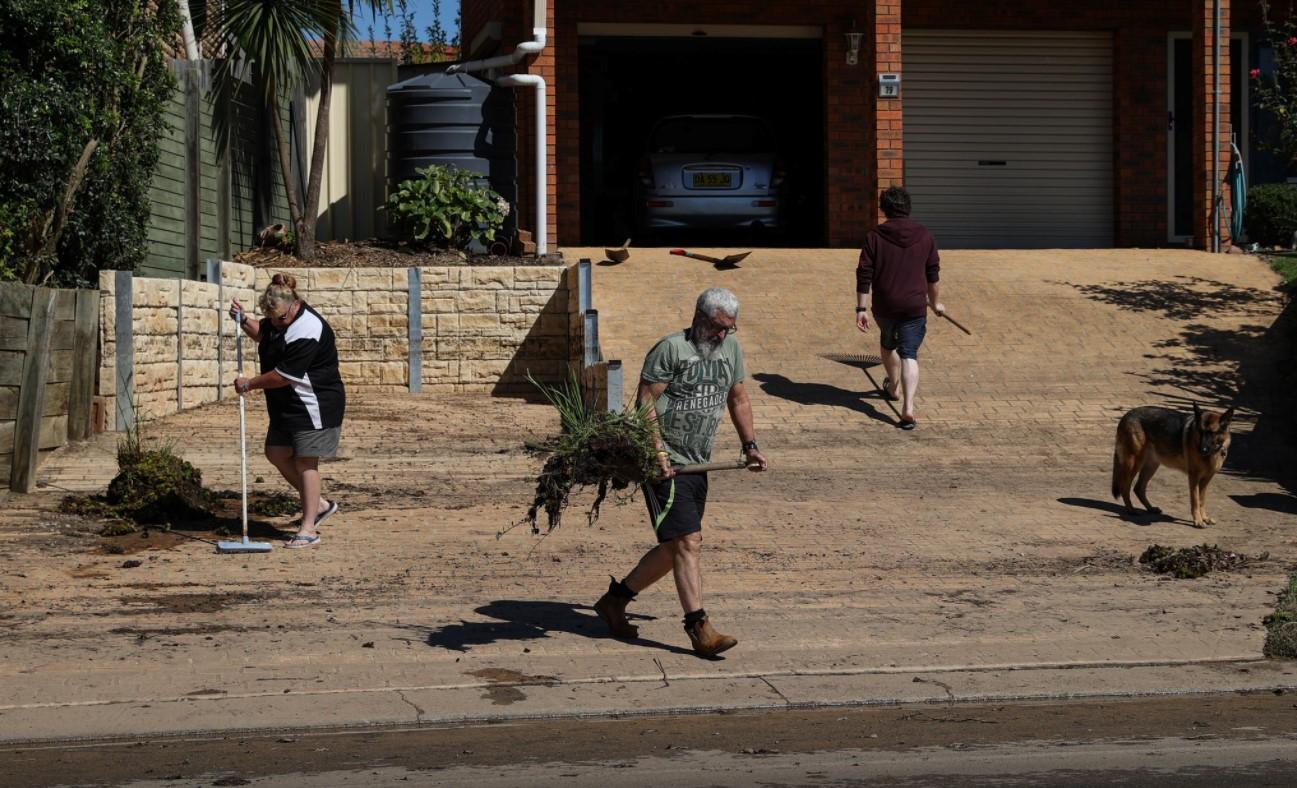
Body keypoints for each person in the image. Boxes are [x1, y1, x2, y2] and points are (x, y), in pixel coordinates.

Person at [594, 287, 768, 658]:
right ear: (699, 318)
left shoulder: (730, 351)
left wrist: (750, 445)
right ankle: (699, 628)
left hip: (699, 462)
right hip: (666, 464)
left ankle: (615, 601)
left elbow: (738, 397)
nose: (722, 335)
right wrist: (657, 450)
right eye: (718, 327)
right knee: (689, 541)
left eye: (729, 329)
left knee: (674, 546)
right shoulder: (671, 349)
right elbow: (645, 403)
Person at [229, 273, 345, 548]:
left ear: (295, 304)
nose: (277, 323)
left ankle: (309, 529)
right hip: (286, 404)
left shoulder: (308, 328)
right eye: (273, 319)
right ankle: (318, 505)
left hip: (314, 403)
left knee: (306, 461)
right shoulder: (277, 320)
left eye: (281, 318)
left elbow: (284, 375)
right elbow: (265, 334)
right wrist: (245, 320)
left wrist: (249, 384)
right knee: (277, 453)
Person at [855, 186, 945, 430]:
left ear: (884, 209)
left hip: (885, 306)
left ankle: (893, 386)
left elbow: (864, 273)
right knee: (909, 354)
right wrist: (935, 303)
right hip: (915, 306)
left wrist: (860, 309)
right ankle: (908, 408)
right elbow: (932, 274)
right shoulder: (925, 235)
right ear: (908, 208)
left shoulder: (875, 236)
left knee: (887, 345)